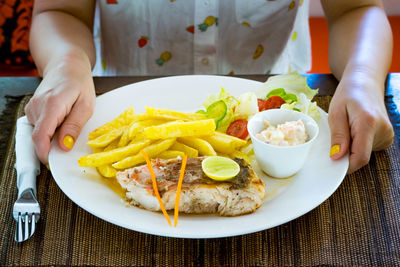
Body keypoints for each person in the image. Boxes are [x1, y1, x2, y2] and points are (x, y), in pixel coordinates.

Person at [25, 0, 394, 174]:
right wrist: (65, 65)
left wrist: (362, 79)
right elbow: (61, 11)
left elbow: (356, 9)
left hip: (272, 116)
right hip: (115, 101)